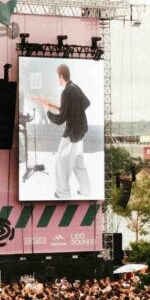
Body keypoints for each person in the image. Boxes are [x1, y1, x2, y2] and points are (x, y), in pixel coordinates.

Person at [34, 63, 92, 199]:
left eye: (57, 77)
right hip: (81, 130)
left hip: (72, 134)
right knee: (77, 161)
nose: (57, 80)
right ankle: (85, 190)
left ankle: (63, 193)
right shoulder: (75, 87)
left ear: (61, 76)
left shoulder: (66, 91)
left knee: (60, 162)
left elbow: (60, 120)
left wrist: (47, 111)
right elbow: (86, 103)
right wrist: (70, 110)